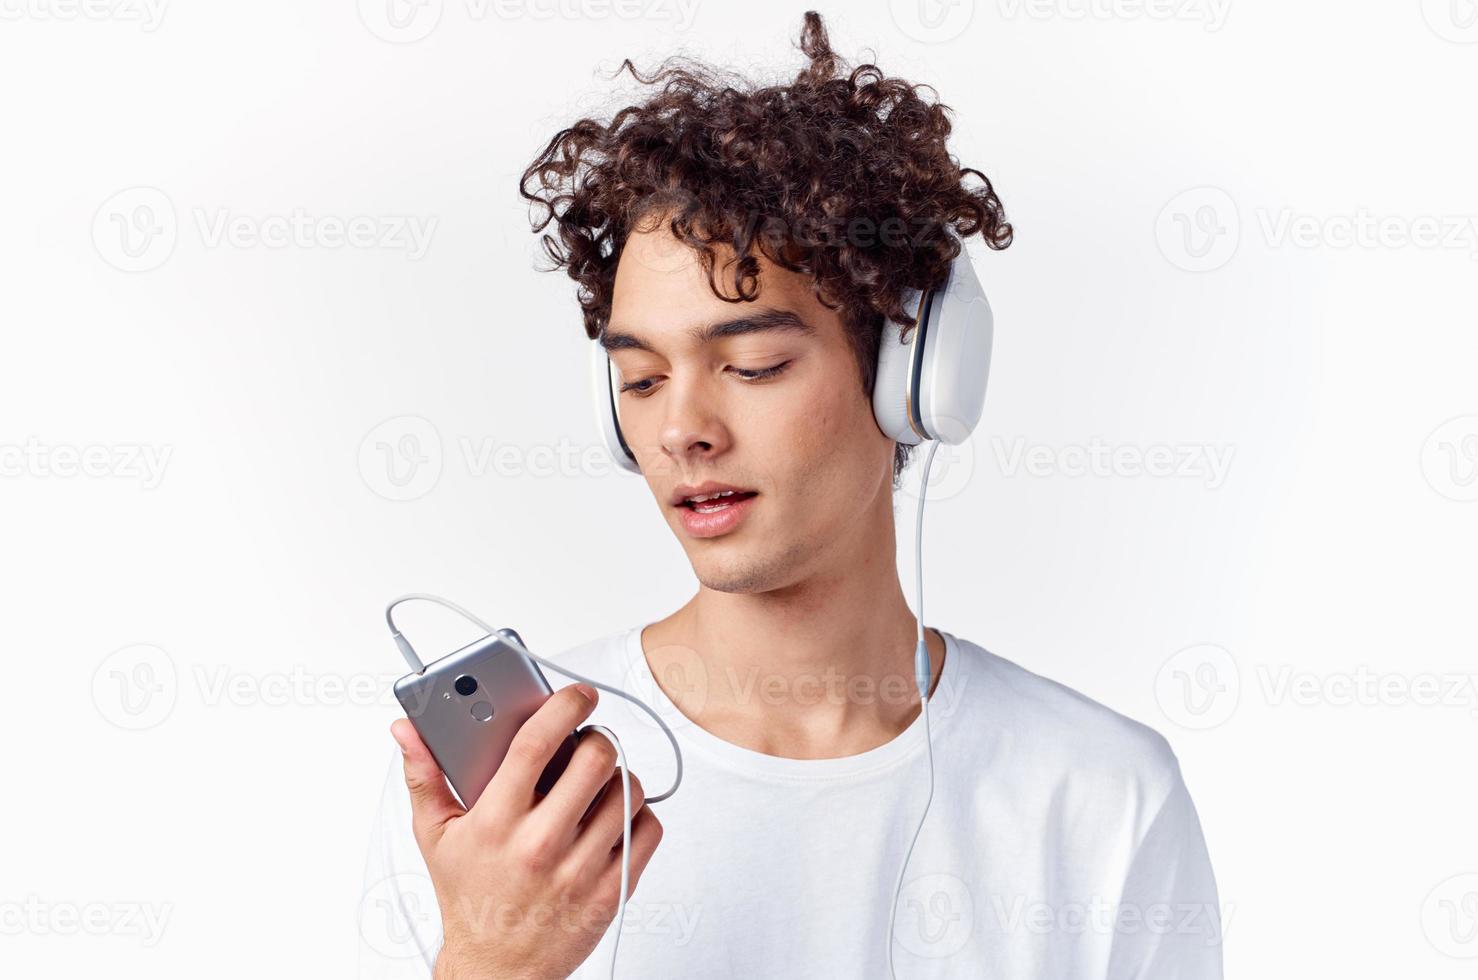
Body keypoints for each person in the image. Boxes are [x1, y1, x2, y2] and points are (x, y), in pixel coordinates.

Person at [360, 12, 1222, 979]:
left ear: (912, 377)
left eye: (756, 365)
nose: (682, 428)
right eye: (641, 379)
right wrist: (492, 959)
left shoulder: (1099, 797)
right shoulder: (514, 794)